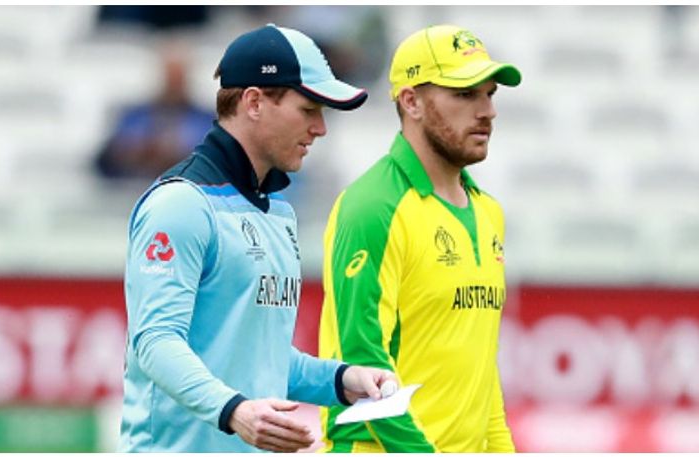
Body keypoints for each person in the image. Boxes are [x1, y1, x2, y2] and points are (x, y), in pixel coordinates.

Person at [118, 24, 395, 453]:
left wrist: (342, 380)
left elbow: (259, 356)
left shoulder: (277, 213)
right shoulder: (181, 204)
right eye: (308, 109)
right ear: (254, 102)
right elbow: (155, 342)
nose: (321, 128)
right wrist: (235, 411)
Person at [317, 24, 522, 452]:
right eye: (465, 95)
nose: (487, 111)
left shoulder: (488, 213)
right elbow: (363, 361)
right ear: (410, 101)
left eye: (489, 94)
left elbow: (482, 373)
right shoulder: (372, 207)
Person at [95, 42, 214, 180]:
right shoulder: (134, 116)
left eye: (178, 78)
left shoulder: (207, 120)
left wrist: (176, 156)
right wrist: (135, 152)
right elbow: (106, 158)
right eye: (170, 77)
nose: (174, 85)